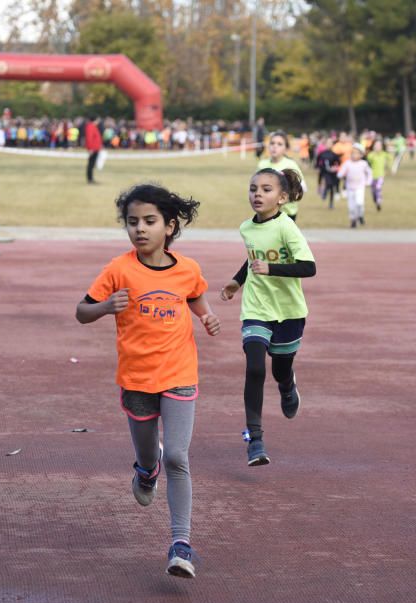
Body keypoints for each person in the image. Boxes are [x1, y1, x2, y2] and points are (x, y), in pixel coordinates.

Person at [75, 183, 220, 578]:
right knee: (150, 455)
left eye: (149, 221)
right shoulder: (119, 269)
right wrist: (106, 307)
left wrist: (206, 316)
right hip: (137, 379)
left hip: (180, 374)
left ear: (169, 227)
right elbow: (81, 311)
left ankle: (182, 544)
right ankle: (144, 469)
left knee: (177, 455)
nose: (140, 229)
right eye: (132, 222)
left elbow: (193, 294)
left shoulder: (188, 268)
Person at [220, 168, 315, 466]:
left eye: (266, 189)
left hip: (289, 313)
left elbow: (308, 267)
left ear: (282, 197)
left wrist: (271, 269)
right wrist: (238, 281)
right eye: (253, 188)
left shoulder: (287, 228)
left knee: (279, 370)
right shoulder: (246, 228)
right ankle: (255, 440)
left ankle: (287, 385)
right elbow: (253, 258)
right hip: (256, 309)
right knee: (256, 368)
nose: (257, 194)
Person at [257, 130, 307, 221]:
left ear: (286, 148)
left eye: (279, 144)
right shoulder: (262, 165)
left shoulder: (291, 165)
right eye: (272, 143)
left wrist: (285, 198)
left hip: (287, 213)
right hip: (267, 212)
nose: (275, 146)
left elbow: (302, 188)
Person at [337, 143, 372, 227]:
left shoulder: (363, 164)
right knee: (351, 206)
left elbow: (369, 173)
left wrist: (368, 181)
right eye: (353, 153)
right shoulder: (347, 163)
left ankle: (360, 215)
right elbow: (341, 173)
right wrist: (340, 174)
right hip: (350, 187)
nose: (354, 155)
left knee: (359, 203)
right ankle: (353, 220)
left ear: (361, 155)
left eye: (357, 153)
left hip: (360, 187)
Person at [365, 139, 392, 211]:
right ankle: (376, 200)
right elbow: (367, 164)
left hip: (381, 175)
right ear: (373, 146)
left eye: (379, 145)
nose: (377, 147)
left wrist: (390, 167)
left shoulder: (384, 154)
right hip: (372, 176)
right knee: (373, 191)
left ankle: (379, 201)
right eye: (376, 145)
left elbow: (390, 159)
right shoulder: (371, 155)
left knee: (378, 188)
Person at [85, 117, 102, 184]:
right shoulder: (91, 127)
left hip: (95, 148)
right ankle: (90, 179)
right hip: (93, 149)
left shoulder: (93, 126)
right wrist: (90, 148)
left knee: (92, 164)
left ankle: (91, 179)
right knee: (91, 164)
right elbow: (89, 138)